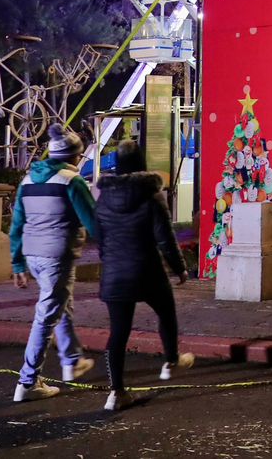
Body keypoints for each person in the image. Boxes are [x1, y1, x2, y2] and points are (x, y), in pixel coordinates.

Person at [95, 140, 191, 412]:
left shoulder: (104, 198)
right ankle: (171, 361)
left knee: (118, 332)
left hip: (115, 274)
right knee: (166, 311)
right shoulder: (151, 195)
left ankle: (116, 392)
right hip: (147, 270)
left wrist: (110, 259)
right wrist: (179, 267)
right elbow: (165, 237)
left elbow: (99, 236)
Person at [10, 127, 101, 403]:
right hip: (57, 255)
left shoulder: (28, 181)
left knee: (62, 303)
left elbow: (17, 224)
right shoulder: (71, 181)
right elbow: (93, 222)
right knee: (47, 315)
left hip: (34, 255)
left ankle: (72, 361)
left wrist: (17, 264)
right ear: (74, 156)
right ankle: (27, 381)